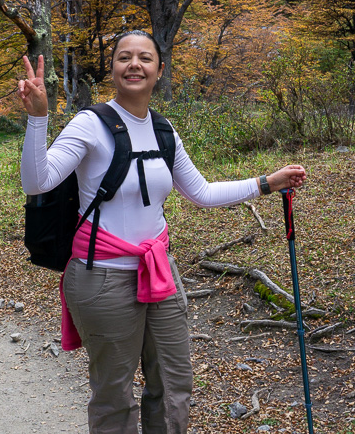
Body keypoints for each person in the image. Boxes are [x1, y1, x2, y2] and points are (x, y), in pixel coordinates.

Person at [18, 30, 306, 434]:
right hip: (101, 277)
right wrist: (38, 117)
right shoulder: (90, 124)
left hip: (159, 272)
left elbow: (201, 192)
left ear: (159, 70)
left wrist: (266, 182)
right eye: (124, 57)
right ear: (113, 68)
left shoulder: (164, 130)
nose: (134, 64)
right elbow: (38, 182)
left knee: (174, 384)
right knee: (115, 394)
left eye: (144, 58)